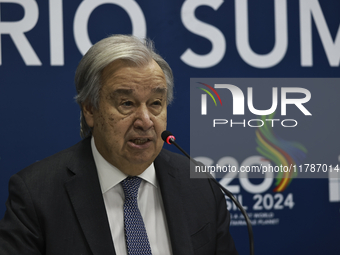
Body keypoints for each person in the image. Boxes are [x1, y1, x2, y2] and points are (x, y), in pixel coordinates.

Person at [0, 35, 238, 255]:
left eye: (156, 103)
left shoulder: (198, 185)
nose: (145, 121)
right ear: (90, 109)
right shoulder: (37, 195)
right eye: (126, 103)